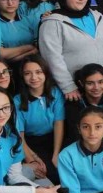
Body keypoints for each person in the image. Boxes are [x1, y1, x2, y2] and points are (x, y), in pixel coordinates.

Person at [39, 0, 103, 102]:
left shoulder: (99, 17)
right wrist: (68, 86)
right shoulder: (53, 22)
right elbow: (52, 58)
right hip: (73, 92)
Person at [14, 55, 65, 184]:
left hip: (55, 139)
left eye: (38, 72)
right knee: (45, 171)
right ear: (22, 76)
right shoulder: (17, 101)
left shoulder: (55, 93)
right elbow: (20, 136)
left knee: (62, 167)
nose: (34, 77)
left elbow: (59, 123)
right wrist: (31, 159)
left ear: (45, 73)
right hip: (32, 143)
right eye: (28, 73)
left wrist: (56, 153)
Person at [0, 0, 38, 69]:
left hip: (33, 67)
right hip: (6, 70)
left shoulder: (30, 19)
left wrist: (12, 57)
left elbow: (38, 48)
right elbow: (1, 54)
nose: (10, 3)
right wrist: (29, 47)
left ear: (19, 0)